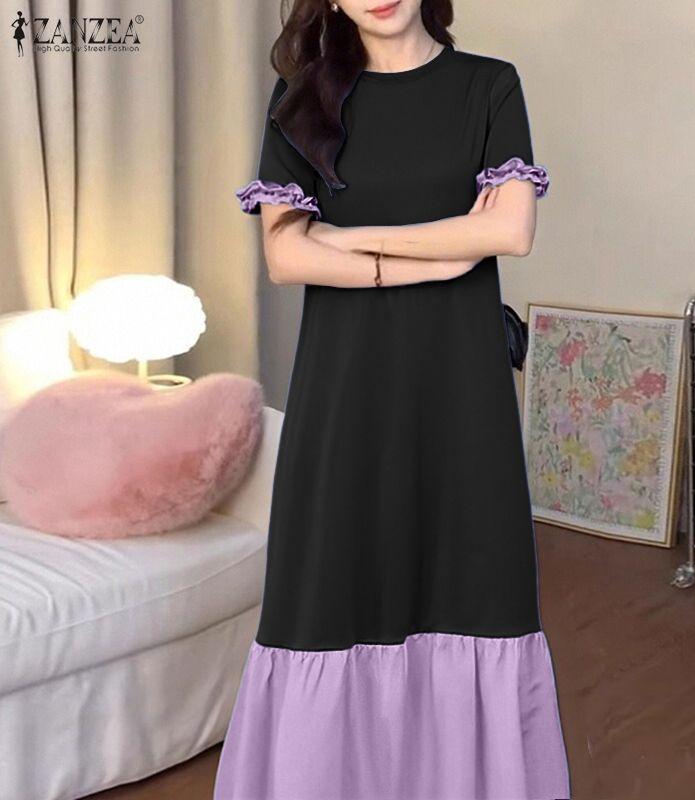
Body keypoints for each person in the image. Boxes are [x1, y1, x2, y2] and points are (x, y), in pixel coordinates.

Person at [214, 1, 570, 797]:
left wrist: (342, 238)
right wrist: (440, 254)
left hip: (462, 389)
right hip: (345, 392)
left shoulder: (489, 87)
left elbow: (510, 232)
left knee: (472, 588)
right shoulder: (301, 97)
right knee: (333, 592)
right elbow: (284, 259)